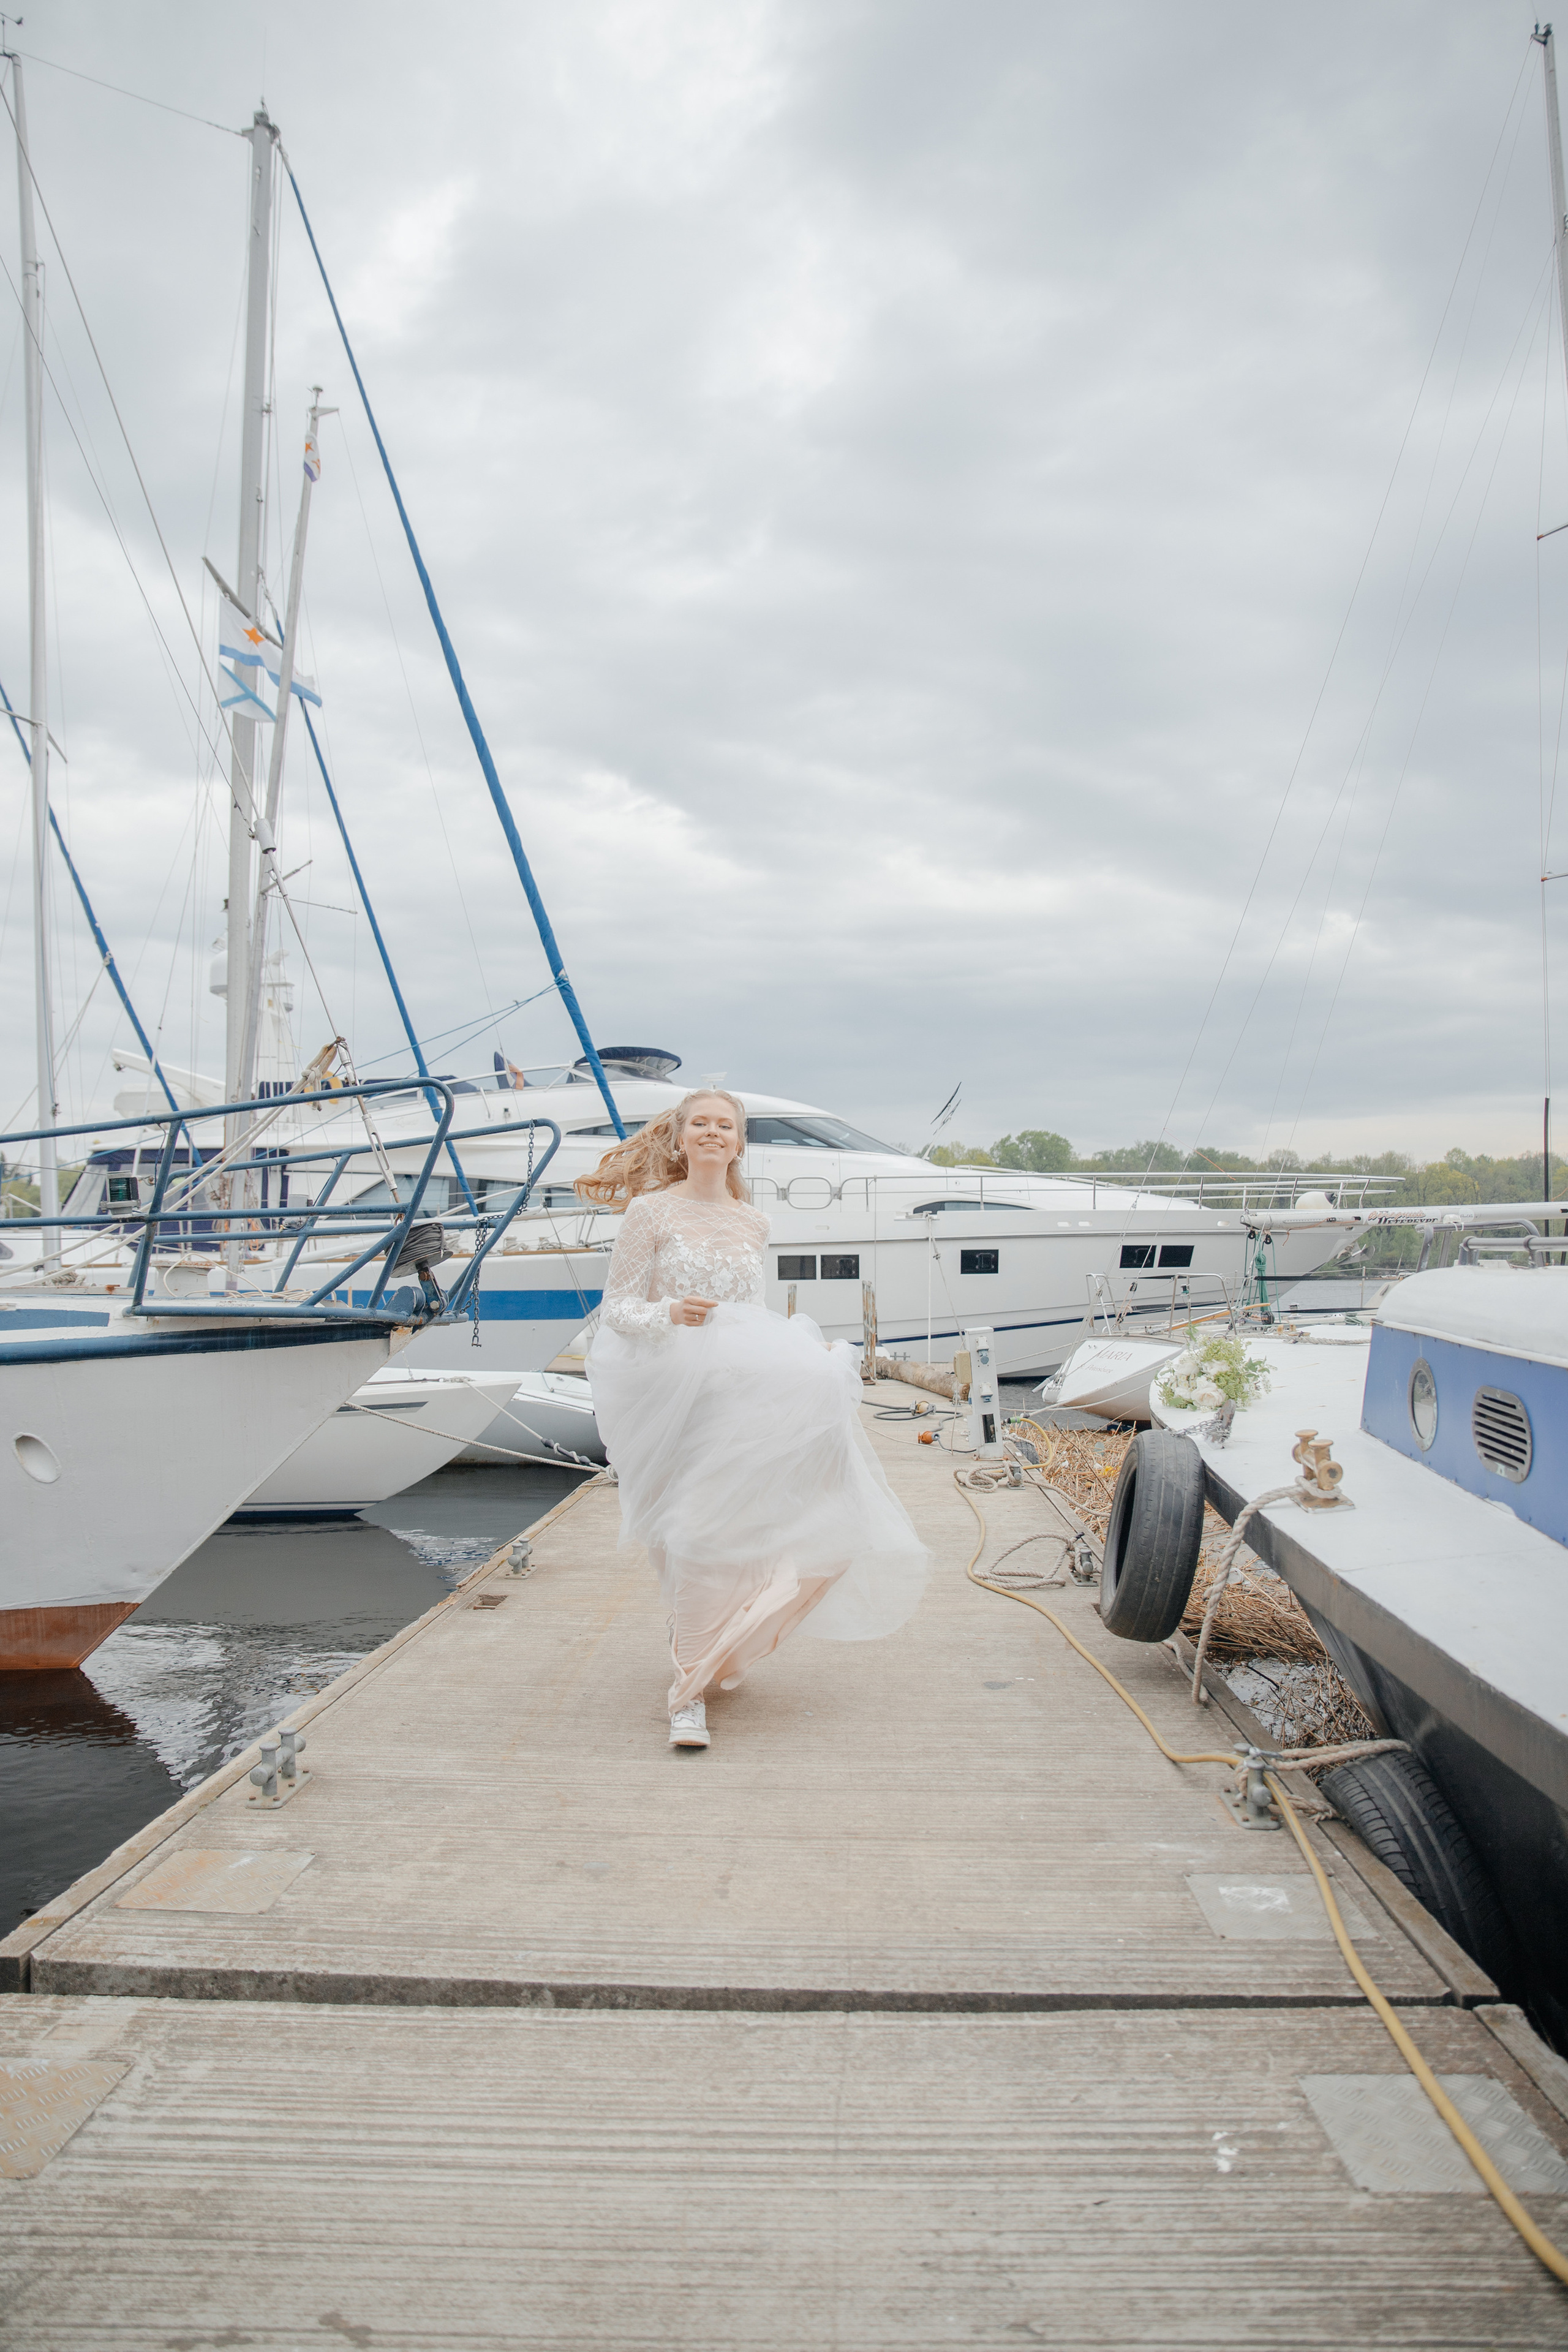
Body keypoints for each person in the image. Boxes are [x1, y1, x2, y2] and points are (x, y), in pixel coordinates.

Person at [578, 1088, 928, 1749]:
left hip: (743, 1395)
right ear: (680, 1139)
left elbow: (753, 1318)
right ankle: (688, 1691)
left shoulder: (751, 1222)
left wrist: (807, 1354)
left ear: (739, 1144)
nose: (713, 1133)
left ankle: (703, 1646)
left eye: (726, 1125)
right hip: (676, 1393)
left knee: (738, 1527)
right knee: (691, 1531)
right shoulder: (649, 1212)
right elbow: (618, 1307)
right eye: (701, 1124)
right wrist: (668, 1314)